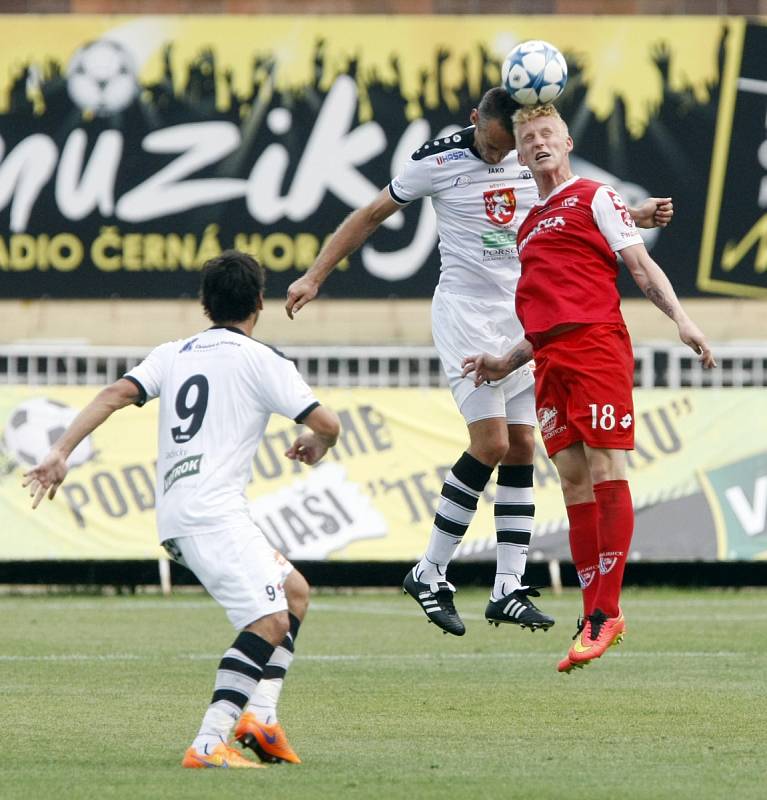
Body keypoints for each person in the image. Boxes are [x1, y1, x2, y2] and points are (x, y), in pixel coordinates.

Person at [285, 87, 671, 637]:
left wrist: (632, 215)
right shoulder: (436, 163)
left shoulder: (526, 155)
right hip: (465, 316)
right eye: (494, 144)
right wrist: (315, 275)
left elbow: (571, 206)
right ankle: (429, 570)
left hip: (521, 318)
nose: (502, 155)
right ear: (475, 123)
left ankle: (508, 586)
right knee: (489, 442)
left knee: (522, 445)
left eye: (509, 145)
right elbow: (371, 214)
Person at [23, 250, 340, 767]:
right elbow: (328, 424)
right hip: (212, 516)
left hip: (181, 511)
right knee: (268, 620)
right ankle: (210, 741)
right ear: (260, 301)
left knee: (293, 592)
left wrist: (60, 451)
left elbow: (114, 393)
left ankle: (260, 719)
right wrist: (314, 442)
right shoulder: (263, 360)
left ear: (204, 304)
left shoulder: (173, 353)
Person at [462, 103, 716, 672]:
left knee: (606, 470)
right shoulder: (528, 224)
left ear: (568, 140)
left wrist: (682, 320)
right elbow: (542, 314)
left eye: (547, 133)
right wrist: (505, 362)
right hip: (548, 359)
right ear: (520, 151)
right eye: (528, 138)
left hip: (596, 346)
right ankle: (591, 614)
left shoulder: (597, 196)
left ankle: (607, 612)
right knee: (573, 481)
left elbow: (641, 267)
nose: (538, 143)